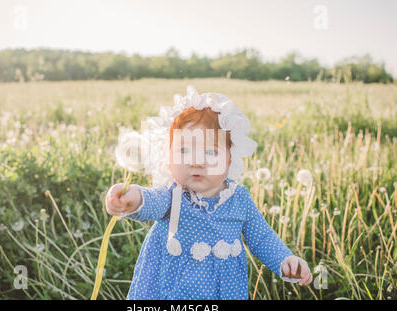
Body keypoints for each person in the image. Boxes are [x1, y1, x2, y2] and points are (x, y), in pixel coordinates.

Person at [105, 86, 312, 299]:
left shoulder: (239, 198)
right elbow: (152, 202)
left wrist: (284, 260)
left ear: (230, 158)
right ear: (168, 155)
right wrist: (134, 198)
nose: (196, 161)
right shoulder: (172, 194)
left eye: (210, 152)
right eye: (184, 150)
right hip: (171, 287)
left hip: (222, 290)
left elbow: (261, 237)